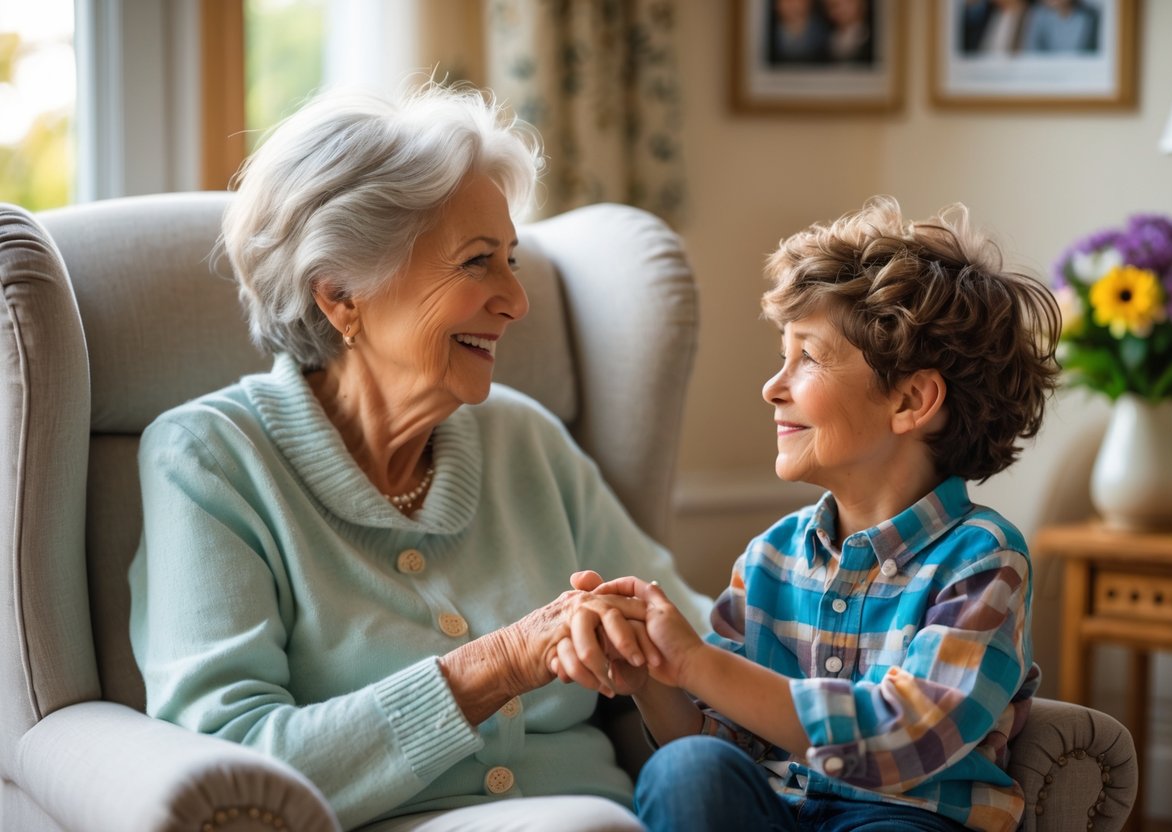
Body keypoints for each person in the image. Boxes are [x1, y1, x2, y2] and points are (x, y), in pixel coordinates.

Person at [127, 82, 710, 832]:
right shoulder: (212, 458)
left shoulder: (521, 438)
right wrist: (501, 663)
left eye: (511, 260)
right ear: (342, 296)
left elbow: (698, 639)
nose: (515, 300)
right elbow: (234, 764)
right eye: (475, 264)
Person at [559, 196, 1062, 832]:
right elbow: (723, 741)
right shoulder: (772, 554)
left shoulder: (984, 559)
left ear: (911, 399)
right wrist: (654, 678)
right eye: (782, 354)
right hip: (781, 811)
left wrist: (699, 663)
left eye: (809, 356)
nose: (773, 386)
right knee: (684, 771)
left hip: (905, 817)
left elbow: (907, 742)